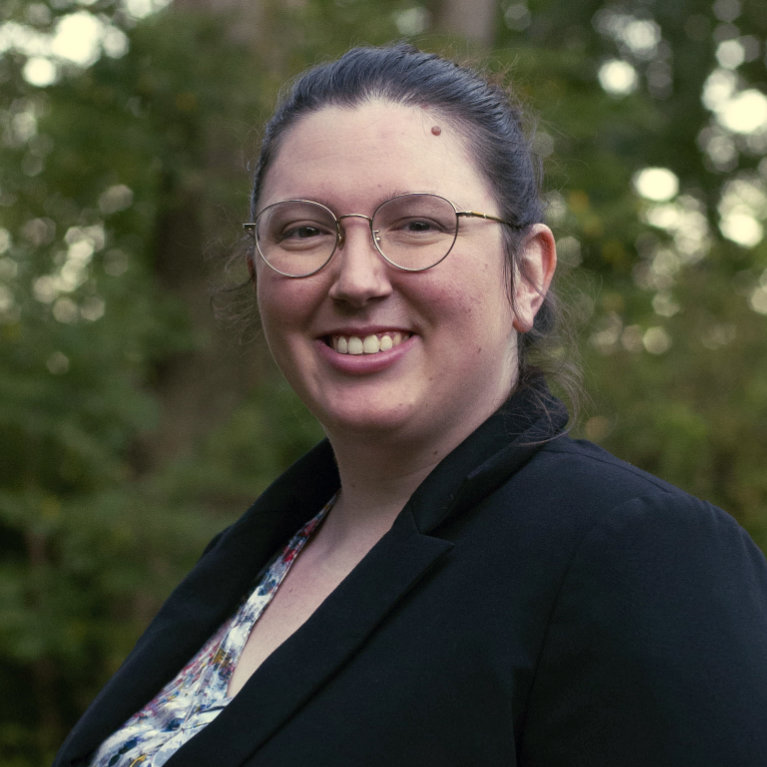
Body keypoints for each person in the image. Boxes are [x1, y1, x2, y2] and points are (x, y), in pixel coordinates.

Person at [54, 43, 767, 767]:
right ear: (258, 273)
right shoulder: (254, 556)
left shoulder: (637, 555)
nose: (356, 278)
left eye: (418, 224)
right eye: (303, 231)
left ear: (527, 274)